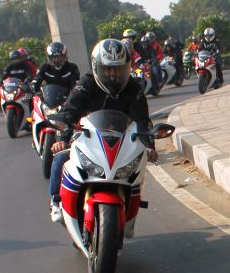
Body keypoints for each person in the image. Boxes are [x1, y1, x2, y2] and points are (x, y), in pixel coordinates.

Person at [46, 38, 156, 222]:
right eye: (108, 69)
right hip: (88, 136)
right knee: (59, 158)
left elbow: (142, 120)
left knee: (138, 164)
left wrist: (149, 145)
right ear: (97, 67)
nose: (113, 74)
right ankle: (56, 201)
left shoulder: (133, 87)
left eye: (118, 69)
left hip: (122, 139)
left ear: (127, 67)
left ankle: (131, 201)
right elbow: (69, 112)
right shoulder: (86, 83)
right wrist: (63, 138)